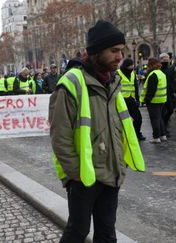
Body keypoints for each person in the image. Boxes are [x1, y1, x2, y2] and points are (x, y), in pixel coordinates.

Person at [49, 20, 145, 243]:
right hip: (84, 176)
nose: (119, 56)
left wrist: (120, 164)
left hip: (112, 172)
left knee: (107, 233)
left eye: (121, 51)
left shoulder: (113, 82)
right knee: (77, 232)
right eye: (114, 51)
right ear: (95, 52)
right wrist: (75, 174)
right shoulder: (71, 83)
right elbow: (59, 136)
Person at [140, 58, 168, 143]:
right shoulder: (161, 73)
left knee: (154, 119)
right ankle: (163, 135)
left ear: (151, 65)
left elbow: (151, 90)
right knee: (159, 118)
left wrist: (146, 100)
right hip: (162, 99)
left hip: (154, 100)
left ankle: (156, 137)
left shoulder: (153, 74)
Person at [117, 59, 145, 140]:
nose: (131, 68)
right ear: (125, 66)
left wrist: (137, 99)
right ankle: (122, 136)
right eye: (130, 67)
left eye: (132, 67)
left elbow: (135, 87)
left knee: (138, 118)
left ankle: (136, 134)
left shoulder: (133, 74)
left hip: (131, 99)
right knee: (121, 120)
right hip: (121, 100)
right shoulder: (117, 73)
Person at [159, 53, 175, 134]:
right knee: (161, 112)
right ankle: (162, 129)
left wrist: (173, 91)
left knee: (170, 110)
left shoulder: (170, 69)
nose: (165, 60)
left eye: (167, 58)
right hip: (160, 94)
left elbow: (172, 80)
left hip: (168, 93)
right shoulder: (159, 69)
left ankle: (164, 125)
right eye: (163, 59)